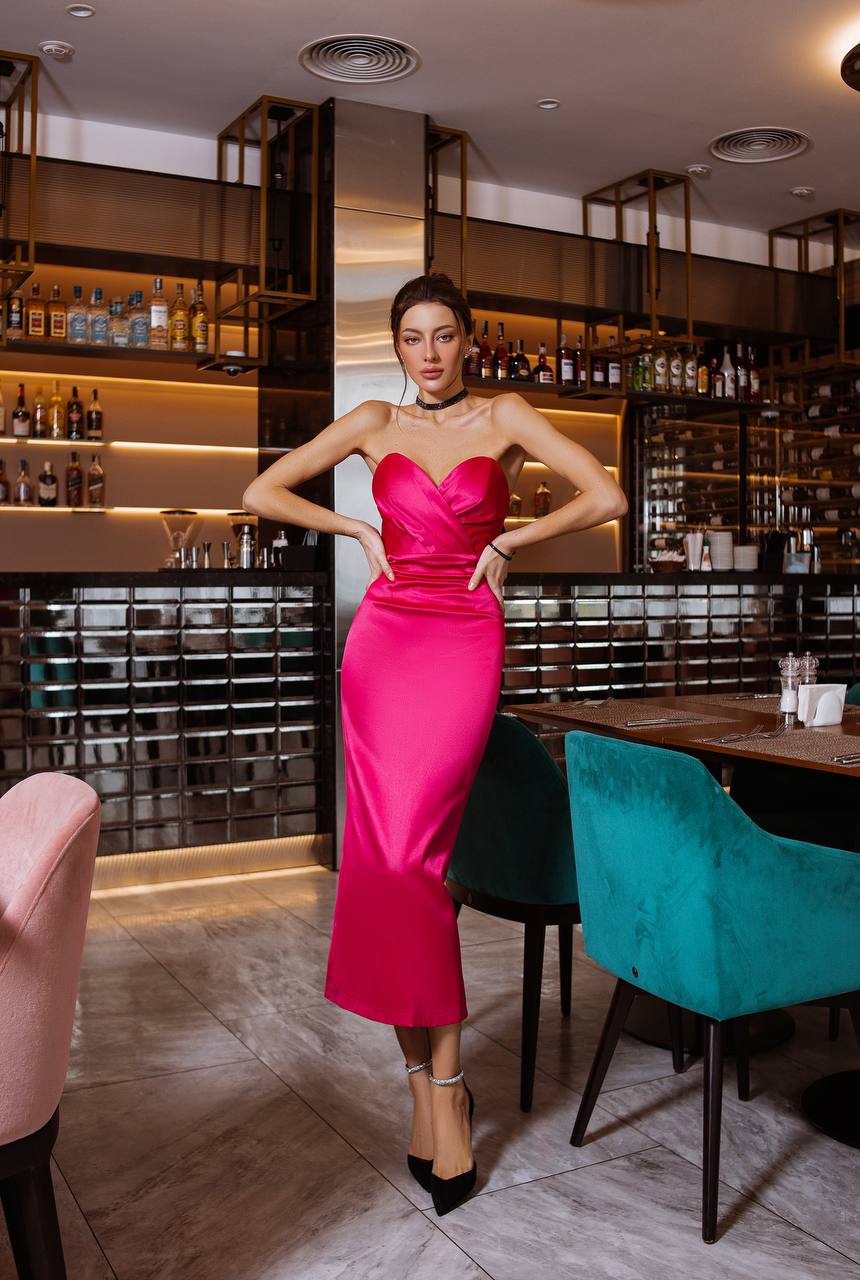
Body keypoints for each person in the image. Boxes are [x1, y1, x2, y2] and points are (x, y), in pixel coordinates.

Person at [242, 272, 627, 1215]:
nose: (430, 352)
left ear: (468, 341)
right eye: (413, 337)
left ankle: (443, 1088)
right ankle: (429, 1090)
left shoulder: (505, 414)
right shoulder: (373, 418)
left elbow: (607, 495)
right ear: (398, 345)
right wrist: (353, 527)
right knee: (387, 866)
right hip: (381, 645)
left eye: (445, 335)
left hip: (461, 641)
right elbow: (263, 489)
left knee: (418, 862)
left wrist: (515, 539)